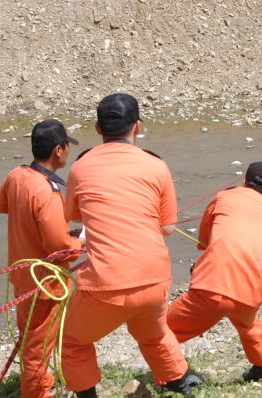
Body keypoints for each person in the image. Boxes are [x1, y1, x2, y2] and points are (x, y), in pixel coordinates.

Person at [61, 93, 197, 398]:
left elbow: (73, 216)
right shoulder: (156, 166)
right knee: (153, 333)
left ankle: (86, 394)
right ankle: (179, 383)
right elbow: (168, 228)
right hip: (153, 280)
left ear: (97, 128)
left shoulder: (80, 168)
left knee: (72, 340)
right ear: (137, 126)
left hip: (104, 285)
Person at [167, 161, 262, 382]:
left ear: (244, 182)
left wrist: (205, 257)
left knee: (162, 330)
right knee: (248, 324)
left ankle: (175, 377)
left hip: (212, 286)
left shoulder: (225, 197)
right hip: (250, 291)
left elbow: (204, 238)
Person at [0, 119, 82, 398]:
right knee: (38, 346)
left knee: (31, 340)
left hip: (23, 276)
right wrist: (81, 241)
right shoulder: (47, 191)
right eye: (67, 146)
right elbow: (59, 246)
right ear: (59, 150)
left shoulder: (16, 176)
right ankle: (36, 393)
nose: (67, 152)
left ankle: (39, 383)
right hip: (46, 284)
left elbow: (2, 206)